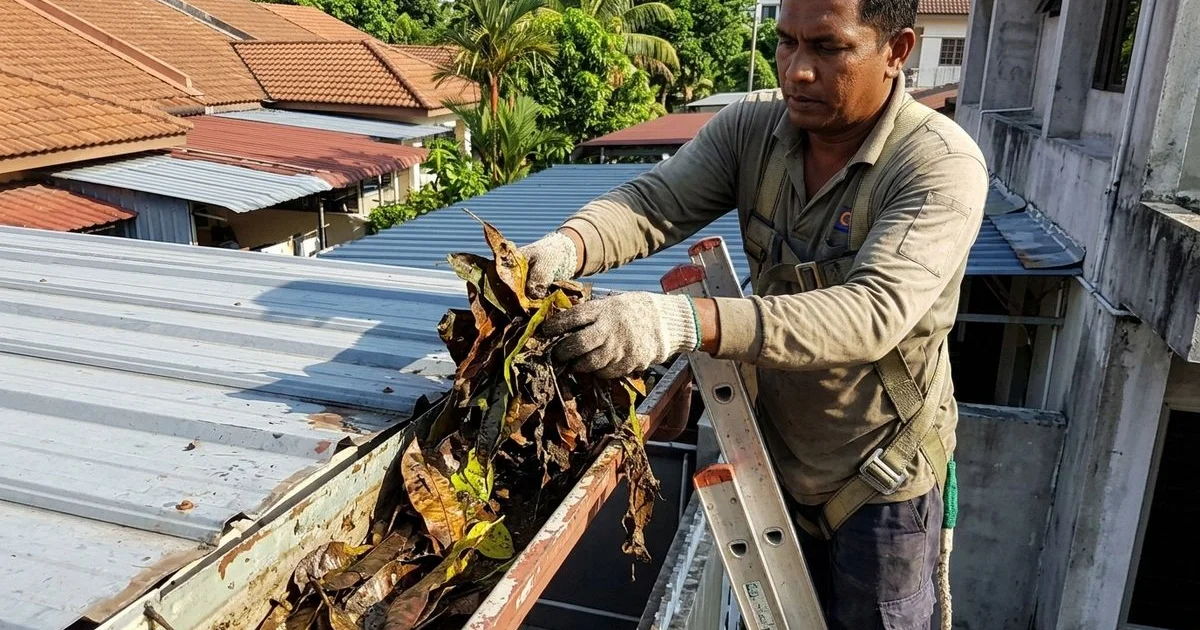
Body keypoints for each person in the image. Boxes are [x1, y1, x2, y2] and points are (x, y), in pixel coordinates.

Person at [519, 0, 987, 626]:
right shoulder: (752, 134)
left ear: (897, 50)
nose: (797, 70)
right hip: (777, 463)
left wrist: (684, 323)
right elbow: (655, 201)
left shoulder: (938, 166)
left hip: (881, 482)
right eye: (787, 43)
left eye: (828, 48)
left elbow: (871, 313)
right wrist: (566, 247)